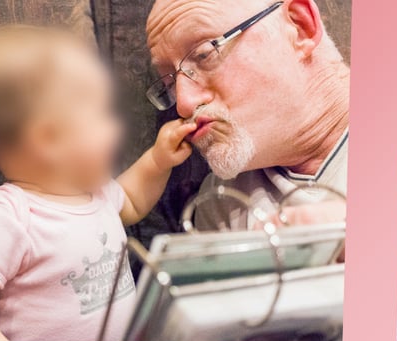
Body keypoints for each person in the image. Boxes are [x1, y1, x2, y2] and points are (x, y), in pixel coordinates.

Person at [0, 24, 197, 341]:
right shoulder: (10, 216)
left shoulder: (96, 192)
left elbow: (132, 199)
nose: (116, 126)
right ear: (47, 139)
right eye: (101, 114)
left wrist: (157, 160)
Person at [146, 0, 349, 229]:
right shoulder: (222, 201)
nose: (184, 105)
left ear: (300, 27)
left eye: (204, 55)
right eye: (168, 83)